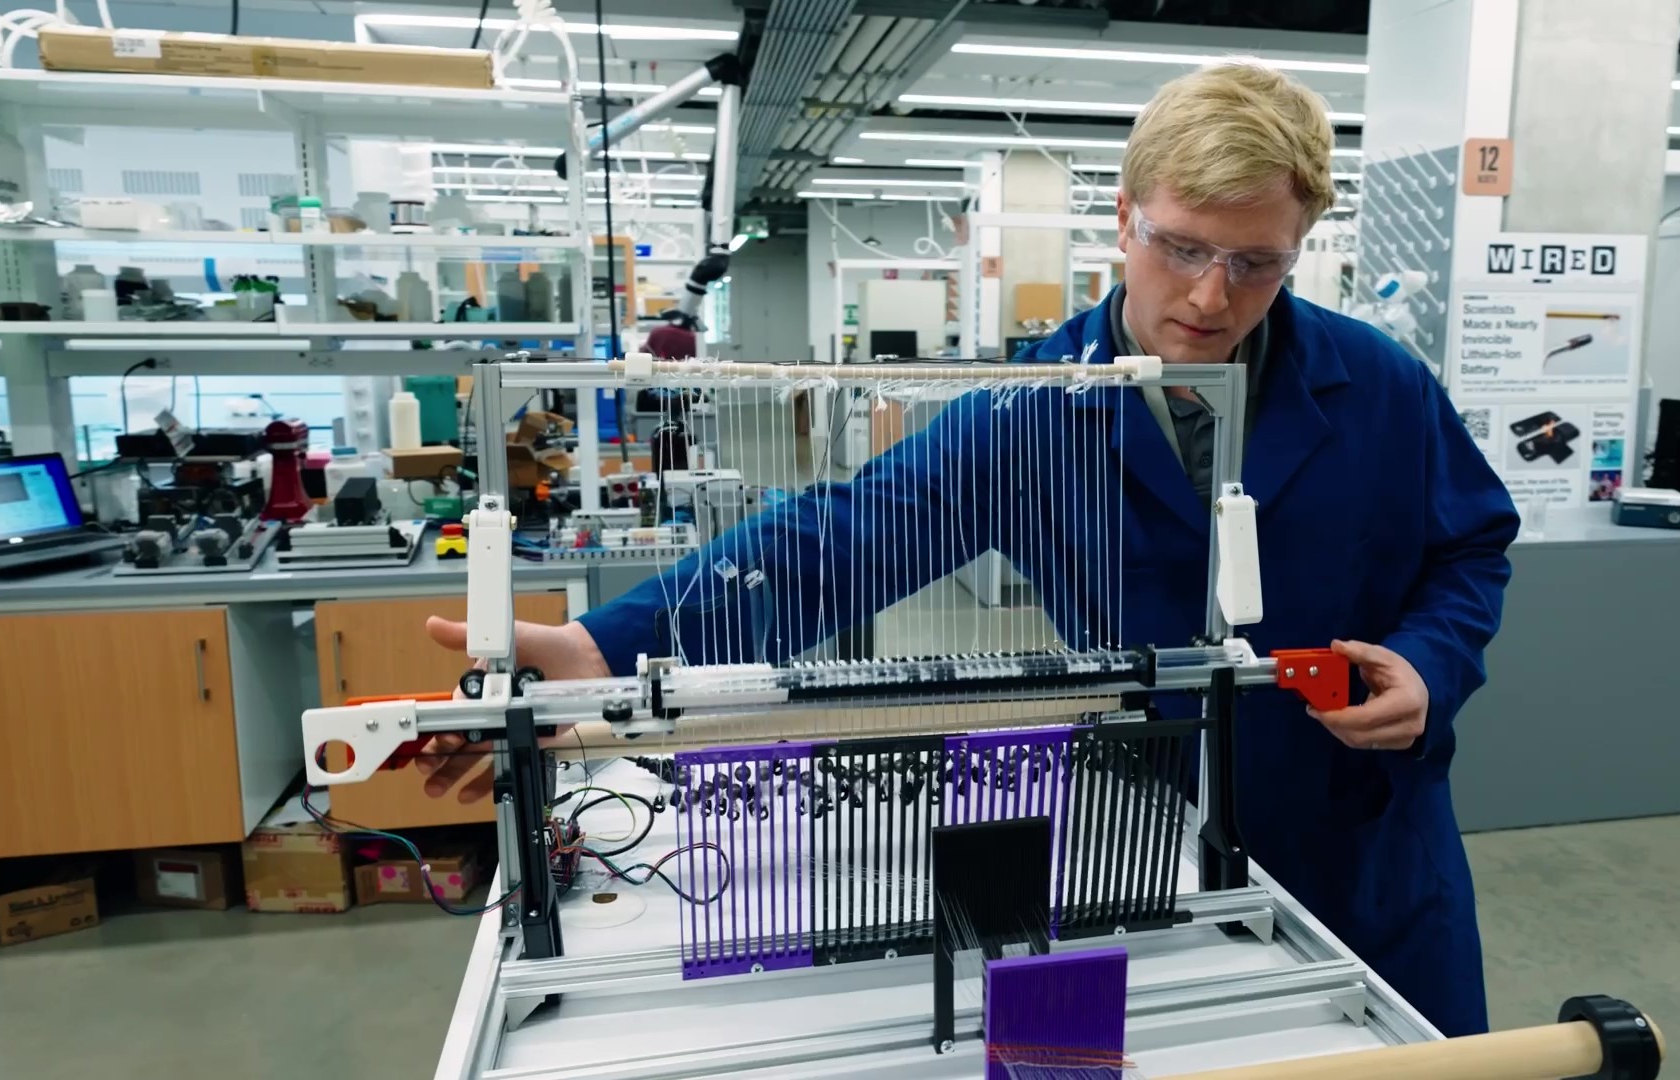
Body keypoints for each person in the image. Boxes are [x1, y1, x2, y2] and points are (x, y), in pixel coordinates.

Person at [417, 62, 1518, 1037]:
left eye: (1256, 263)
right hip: (1152, 840)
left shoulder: (1377, 385)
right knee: (1188, 1054)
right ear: (1125, 218)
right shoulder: (1032, 409)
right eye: (1182, 248)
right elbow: (845, 535)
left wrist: (1430, 663)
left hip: (1368, 839)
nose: (1209, 295)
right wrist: (608, 647)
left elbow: (1472, 546)